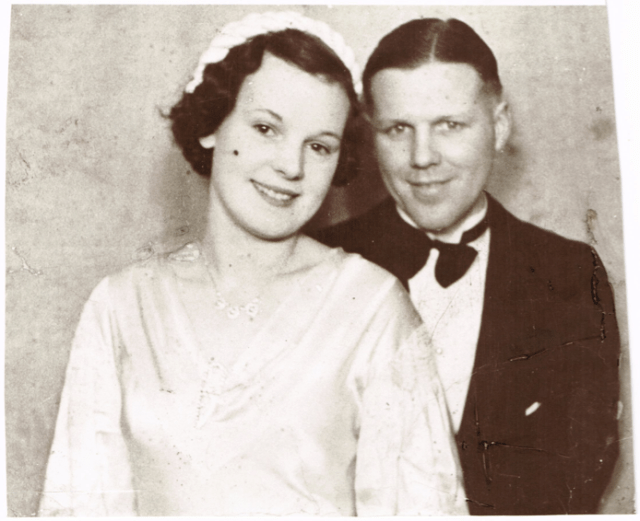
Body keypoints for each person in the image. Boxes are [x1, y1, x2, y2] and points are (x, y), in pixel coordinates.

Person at [37, 12, 467, 517]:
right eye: (266, 128)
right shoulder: (121, 306)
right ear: (211, 125)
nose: (291, 166)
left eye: (319, 146)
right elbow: (80, 505)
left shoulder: (373, 309)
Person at [314, 17, 620, 515]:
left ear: (500, 126)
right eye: (397, 129)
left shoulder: (569, 274)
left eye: (449, 126)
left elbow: (578, 474)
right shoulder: (317, 262)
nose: (422, 157)